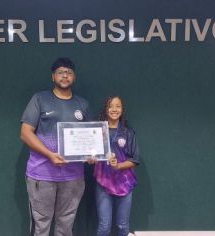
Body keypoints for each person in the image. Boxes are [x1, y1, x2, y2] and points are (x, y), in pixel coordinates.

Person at [20, 57, 91, 236]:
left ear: (74, 77)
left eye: (69, 72)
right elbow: (25, 133)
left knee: (66, 225)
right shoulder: (39, 99)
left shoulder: (82, 104)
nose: (65, 75)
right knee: (41, 226)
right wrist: (50, 155)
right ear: (53, 76)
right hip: (42, 175)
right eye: (60, 72)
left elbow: (90, 138)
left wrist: (92, 154)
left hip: (73, 177)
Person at [94, 96, 140, 236]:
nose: (114, 109)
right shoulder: (97, 131)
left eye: (118, 106)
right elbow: (90, 153)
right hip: (103, 182)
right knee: (104, 226)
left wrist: (119, 166)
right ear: (105, 109)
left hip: (124, 183)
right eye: (110, 106)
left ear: (122, 109)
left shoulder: (128, 132)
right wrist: (89, 158)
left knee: (122, 225)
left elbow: (135, 160)